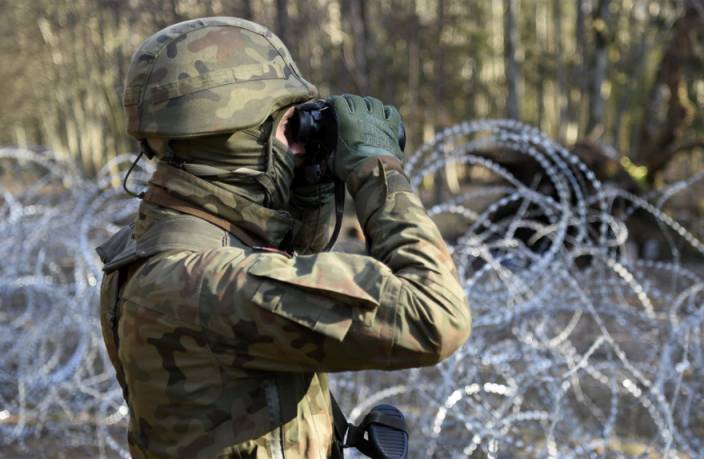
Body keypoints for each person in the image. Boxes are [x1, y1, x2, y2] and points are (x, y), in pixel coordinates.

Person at [97, 17, 471, 459]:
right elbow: (435, 317)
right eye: (287, 126)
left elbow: (284, 264)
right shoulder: (206, 283)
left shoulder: (162, 238)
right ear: (236, 141)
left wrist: (308, 185)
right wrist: (377, 169)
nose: (300, 142)